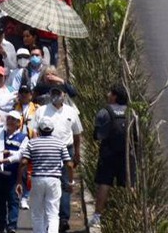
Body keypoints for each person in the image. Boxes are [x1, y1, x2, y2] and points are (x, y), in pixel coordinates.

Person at [33, 86, 83, 232]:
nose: (55, 96)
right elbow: (34, 132)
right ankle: (47, 219)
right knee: (48, 184)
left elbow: (77, 134)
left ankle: (64, 218)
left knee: (66, 184)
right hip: (47, 151)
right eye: (53, 93)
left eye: (58, 93)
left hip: (66, 149)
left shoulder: (71, 111)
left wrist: (77, 153)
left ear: (64, 95)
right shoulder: (41, 111)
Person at [15, 118, 74, 233]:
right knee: (53, 213)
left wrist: (19, 181)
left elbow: (23, 163)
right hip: (54, 180)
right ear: (52, 130)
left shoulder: (32, 142)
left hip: (37, 179)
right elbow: (69, 165)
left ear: (39, 130)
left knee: (37, 213)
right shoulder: (60, 143)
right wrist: (71, 182)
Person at [89, 85, 134, 227]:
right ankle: (132, 214)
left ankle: (97, 216)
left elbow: (97, 135)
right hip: (127, 154)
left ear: (115, 96)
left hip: (108, 154)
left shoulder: (104, 112)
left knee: (104, 184)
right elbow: (137, 135)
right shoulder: (131, 112)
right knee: (130, 184)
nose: (107, 94)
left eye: (110, 93)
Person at [0, 111, 28, 233]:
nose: (10, 121)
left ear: (19, 123)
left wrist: (7, 159)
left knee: (13, 201)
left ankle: (12, 227)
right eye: (9, 119)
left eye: (13, 120)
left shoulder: (23, 138)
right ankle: (1, 225)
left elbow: (21, 155)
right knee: (0, 203)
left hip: (14, 176)